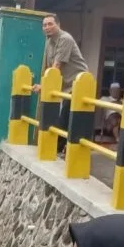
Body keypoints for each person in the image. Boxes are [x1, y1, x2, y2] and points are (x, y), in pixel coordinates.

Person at [34, 15, 89, 156]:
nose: (47, 27)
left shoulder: (65, 39)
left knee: (66, 116)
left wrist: (45, 87)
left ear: (58, 24)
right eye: (44, 25)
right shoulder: (48, 41)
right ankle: (62, 148)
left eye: (50, 24)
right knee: (63, 115)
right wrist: (42, 83)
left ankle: (58, 149)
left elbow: (57, 66)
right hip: (65, 86)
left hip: (79, 83)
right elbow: (47, 68)